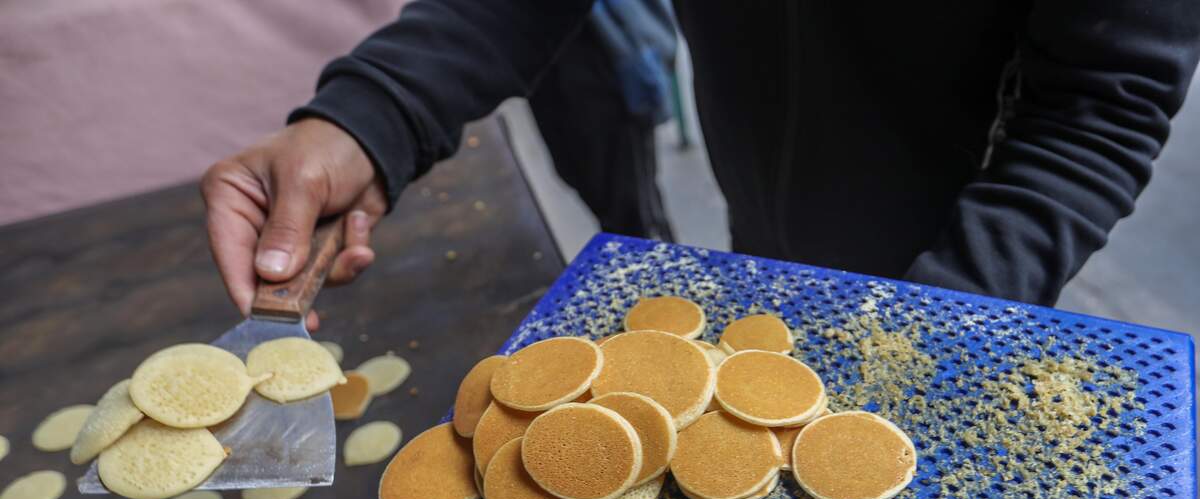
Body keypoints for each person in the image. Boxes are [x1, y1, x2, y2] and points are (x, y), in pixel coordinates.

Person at [202, 2, 1200, 331]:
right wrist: (372, 115)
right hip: (766, 218)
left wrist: (935, 316)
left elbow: (1099, 105)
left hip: (967, 274)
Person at [530, 0, 678, 243]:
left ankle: (654, 269)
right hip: (552, 63)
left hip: (604, 59)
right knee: (589, 183)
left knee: (634, 212)